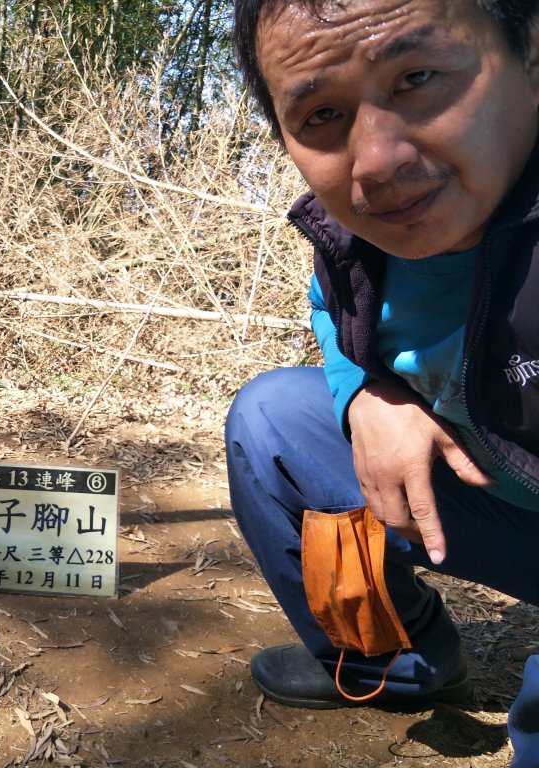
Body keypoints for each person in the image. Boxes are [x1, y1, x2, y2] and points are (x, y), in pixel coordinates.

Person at [224, 0, 539, 762]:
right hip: (501, 512)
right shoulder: (360, 243)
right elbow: (329, 310)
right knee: (272, 420)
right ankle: (398, 664)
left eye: (418, 76)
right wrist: (368, 394)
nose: (377, 161)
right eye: (324, 113)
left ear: (530, 51)